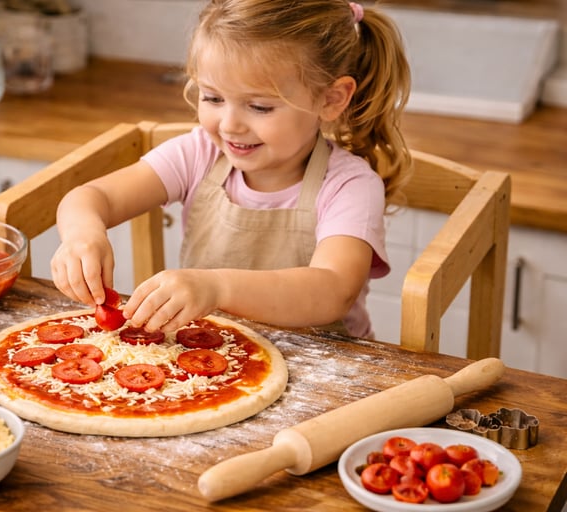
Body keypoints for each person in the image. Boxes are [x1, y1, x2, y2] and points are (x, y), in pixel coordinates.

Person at [51, 0, 412, 339]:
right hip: (211, 351)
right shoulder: (198, 153)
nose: (230, 125)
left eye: (259, 107)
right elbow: (90, 197)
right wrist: (83, 235)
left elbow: (332, 290)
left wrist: (216, 287)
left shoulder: (350, 185)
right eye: (213, 98)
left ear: (331, 100)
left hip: (330, 365)